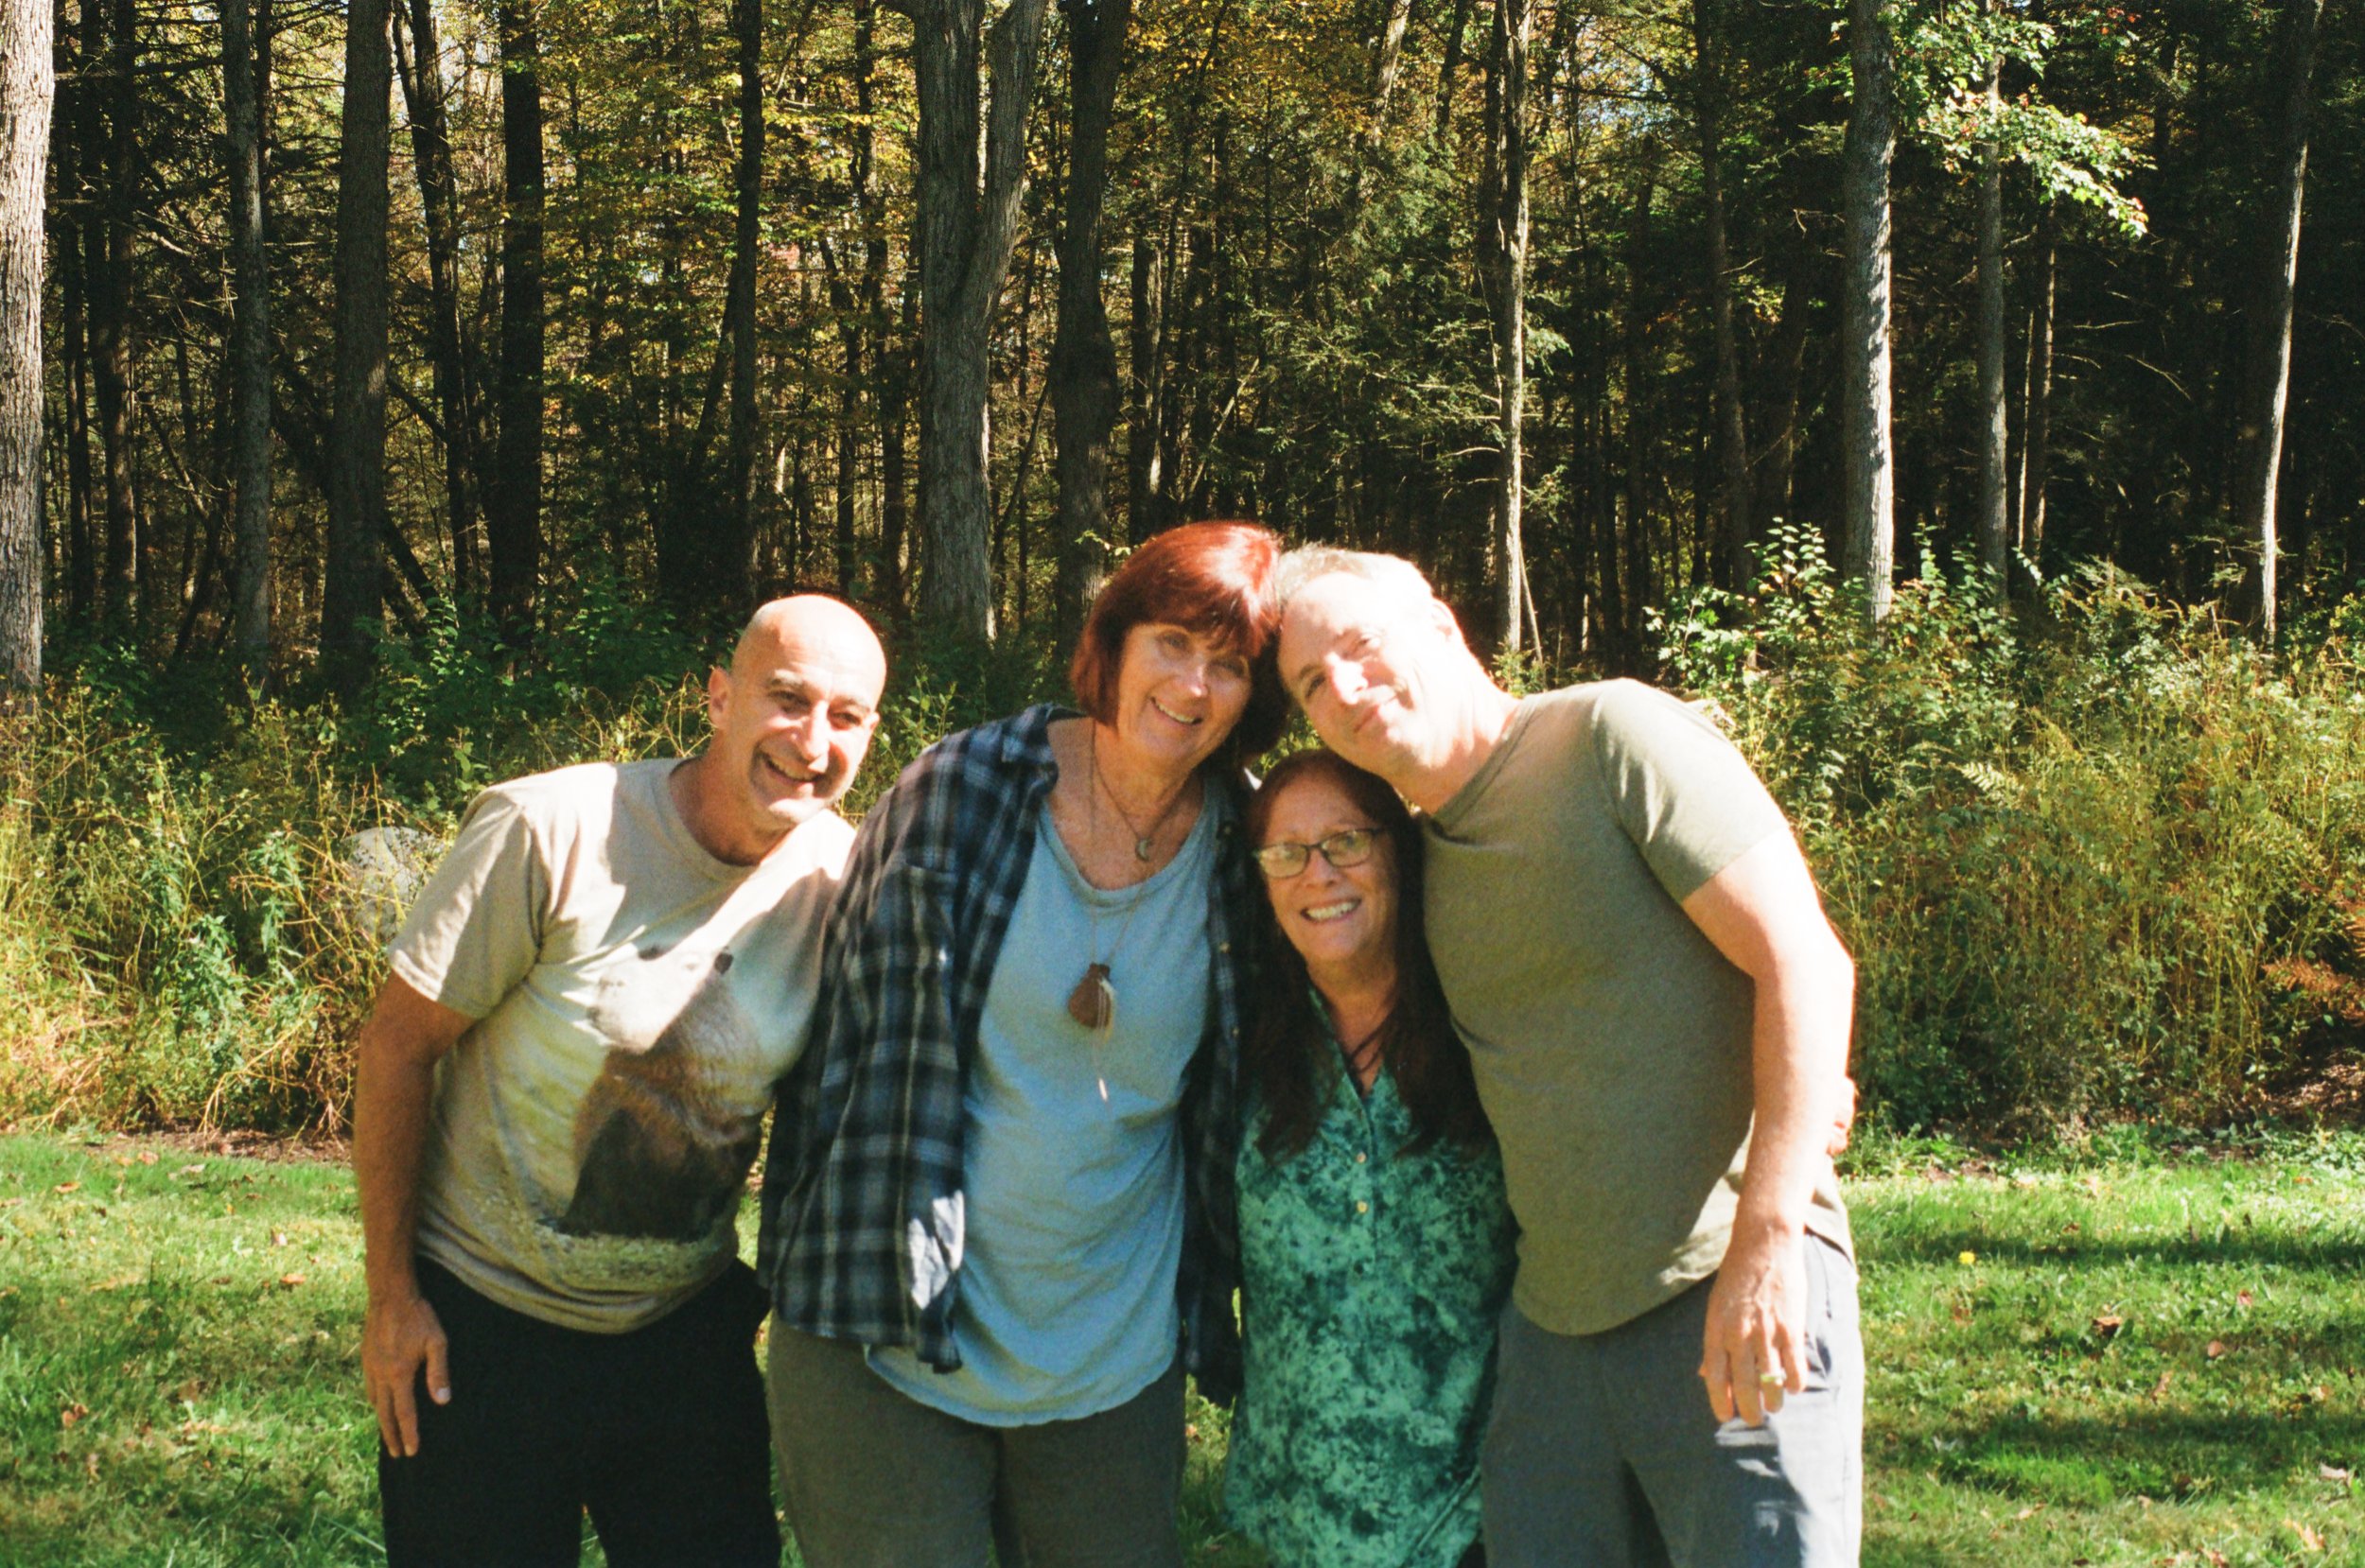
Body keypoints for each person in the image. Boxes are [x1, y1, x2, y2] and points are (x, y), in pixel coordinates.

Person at [1274, 546, 1863, 1568]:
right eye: (1313, 684)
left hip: (1724, 1284)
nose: (1347, 690)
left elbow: (1806, 963)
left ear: (1439, 618)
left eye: (1360, 647)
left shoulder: (1609, 733)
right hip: (1551, 1335)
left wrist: (1767, 1242)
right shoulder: (1419, 856)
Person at [756, 521, 1287, 1568]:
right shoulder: (960, 787)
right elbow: (834, 1040)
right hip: (885, 1325)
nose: (1192, 684)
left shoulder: (1252, 847)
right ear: (1116, 640)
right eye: (1173, 641)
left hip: (1109, 1358)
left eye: (1229, 664)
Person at [353, 595, 888, 1567]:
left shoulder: (845, 881)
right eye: (786, 698)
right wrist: (393, 1298)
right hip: (481, 1333)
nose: (811, 740)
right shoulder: (549, 828)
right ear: (717, 698)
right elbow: (396, 1046)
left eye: (845, 715)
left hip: (684, 1342)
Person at [1223, 747, 1515, 1568]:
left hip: (1478, 1518)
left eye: (1346, 841)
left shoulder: (1485, 1023)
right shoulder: (1243, 1047)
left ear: (1397, 849)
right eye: (1286, 853)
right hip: (1297, 1519)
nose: (1317, 874)